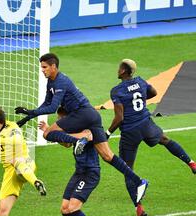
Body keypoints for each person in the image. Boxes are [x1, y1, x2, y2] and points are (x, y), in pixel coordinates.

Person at [15, 52, 149, 205]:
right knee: (107, 156)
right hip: (92, 116)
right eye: (41, 67)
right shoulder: (51, 82)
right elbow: (45, 104)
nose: (42, 70)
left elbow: (52, 108)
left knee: (48, 133)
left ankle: (80, 140)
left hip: (82, 114)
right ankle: (139, 181)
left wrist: (29, 113)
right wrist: (26, 117)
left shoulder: (61, 82)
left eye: (45, 67)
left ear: (53, 67)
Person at [107, 59, 196, 216]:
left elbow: (119, 117)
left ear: (124, 70)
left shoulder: (116, 91)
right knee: (165, 140)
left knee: (127, 169)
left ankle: (139, 209)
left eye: (119, 68)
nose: (117, 70)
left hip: (130, 132)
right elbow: (153, 92)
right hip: (146, 124)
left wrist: (107, 133)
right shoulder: (140, 81)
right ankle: (192, 164)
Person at [39, 108, 100, 216]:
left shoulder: (86, 128)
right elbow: (67, 144)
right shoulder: (74, 131)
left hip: (90, 173)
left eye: (61, 120)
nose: (60, 124)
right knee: (64, 209)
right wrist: (50, 132)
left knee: (73, 207)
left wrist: (57, 133)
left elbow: (88, 136)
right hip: (79, 172)